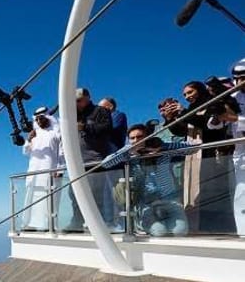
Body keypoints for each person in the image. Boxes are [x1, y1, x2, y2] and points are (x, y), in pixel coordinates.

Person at [103, 124, 198, 236]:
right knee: (159, 232)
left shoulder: (163, 151)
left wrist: (162, 147)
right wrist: (128, 151)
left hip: (170, 200)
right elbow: (105, 163)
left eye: (140, 137)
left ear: (148, 137)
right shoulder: (130, 156)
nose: (136, 140)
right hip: (146, 204)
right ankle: (141, 224)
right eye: (132, 138)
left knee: (180, 232)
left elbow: (194, 148)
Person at [166, 81, 235, 234]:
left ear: (200, 90)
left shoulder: (211, 104)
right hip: (193, 156)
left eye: (190, 92)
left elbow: (207, 125)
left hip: (210, 155)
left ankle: (218, 228)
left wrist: (184, 113)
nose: (187, 97)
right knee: (194, 193)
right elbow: (181, 131)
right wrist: (170, 119)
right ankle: (198, 228)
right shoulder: (190, 109)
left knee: (211, 192)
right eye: (184, 94)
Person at [64, 88, 113, 231]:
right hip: (77, 162)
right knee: (74, 194)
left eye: (78, 101)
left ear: (87, 98)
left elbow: (107, 128)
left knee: (96, 194)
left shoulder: (100, 111)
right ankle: (77, 222)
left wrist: (85, 127)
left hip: (95, 160)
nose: (76, 104)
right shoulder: (74, 114)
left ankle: (99, 225)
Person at [21, 106, 63, 231]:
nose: (39, 122)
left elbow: (62, 153)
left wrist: (60, 169)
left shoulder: (56, 132)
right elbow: (25, 152)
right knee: (32, 198)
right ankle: (30, 224)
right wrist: (28, 140)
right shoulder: (34, 133)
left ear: (48, 118)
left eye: (41, 119)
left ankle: (49, 226)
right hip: (34, 171)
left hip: (50, 171)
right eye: (37, 119)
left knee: (50, 199)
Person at [217, 58, 245, 235]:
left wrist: (236, 119)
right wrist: (218, 115)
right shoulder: (232, 97)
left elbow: (235, 120)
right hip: (241, 153)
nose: (241, 82)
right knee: (242, 196)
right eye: (238, 78)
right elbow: (214, 126)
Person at [98, 97, 129, 231]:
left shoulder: (118, 115)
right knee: (106, 195)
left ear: (110, 107)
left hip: (115, 160)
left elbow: (109, 132)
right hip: (106, 161)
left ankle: (123, 224)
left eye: (101, 108)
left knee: (118, 194)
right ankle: (109, 223)